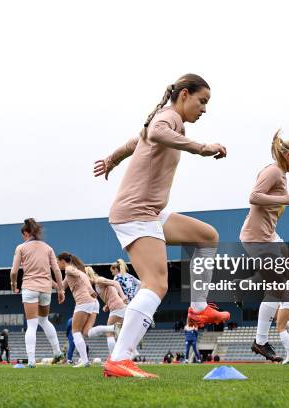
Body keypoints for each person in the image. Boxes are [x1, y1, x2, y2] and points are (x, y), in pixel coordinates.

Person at [94, 74, 229, 378]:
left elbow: (138, 139)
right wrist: (203, 148)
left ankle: (197, 308)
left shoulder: (164, 118)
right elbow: (154, 132)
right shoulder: (168, 117)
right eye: (202, 101)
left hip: (150, 212)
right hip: (135, 213)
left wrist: (112, 159)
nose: (204, 109)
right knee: (156, 283)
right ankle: (120, 358)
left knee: (207, 237)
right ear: (184, 94)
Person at [239, 130, 289, 364]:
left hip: (270, 236)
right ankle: (260, 341)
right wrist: (286, 200)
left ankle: (246, 284)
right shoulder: (273, 171)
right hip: (257, 238)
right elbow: (254, 196)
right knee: (278, 288)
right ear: (288, 154)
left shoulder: (282, 175)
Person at [10, 218, 66, 367]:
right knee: (44, 320)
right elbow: (57, 271)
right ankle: (57, 351)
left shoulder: (21, 248)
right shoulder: (48, 248)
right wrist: (60, 290)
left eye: (23, 235)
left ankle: (31, 360)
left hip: (29, 288)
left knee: (32, 325)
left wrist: (13, 285)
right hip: (46, 289)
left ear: (26, 233)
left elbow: (14, 272)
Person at [57, 252, 98, 368]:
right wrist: (61, 292)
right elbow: (62, 286)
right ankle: (111, 328)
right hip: (89, 302)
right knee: (85, 332)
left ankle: (85, 361)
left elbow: (82, 275)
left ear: (62, 261)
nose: (56, 264)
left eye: (57, 262)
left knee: (76, 332)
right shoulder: (69, 271)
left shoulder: (69, 269)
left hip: (84, 302)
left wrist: (90, 289)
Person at [85, 266, 128, 354]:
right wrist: (107, 305)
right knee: (117, 334)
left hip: (117, 308)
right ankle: (129, 354)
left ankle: (112, 358)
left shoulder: (99, 280)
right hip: (116, 307)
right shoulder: (97, 283)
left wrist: (123, 296)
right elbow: (111, 292)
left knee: (109, 333)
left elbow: (116, 283)